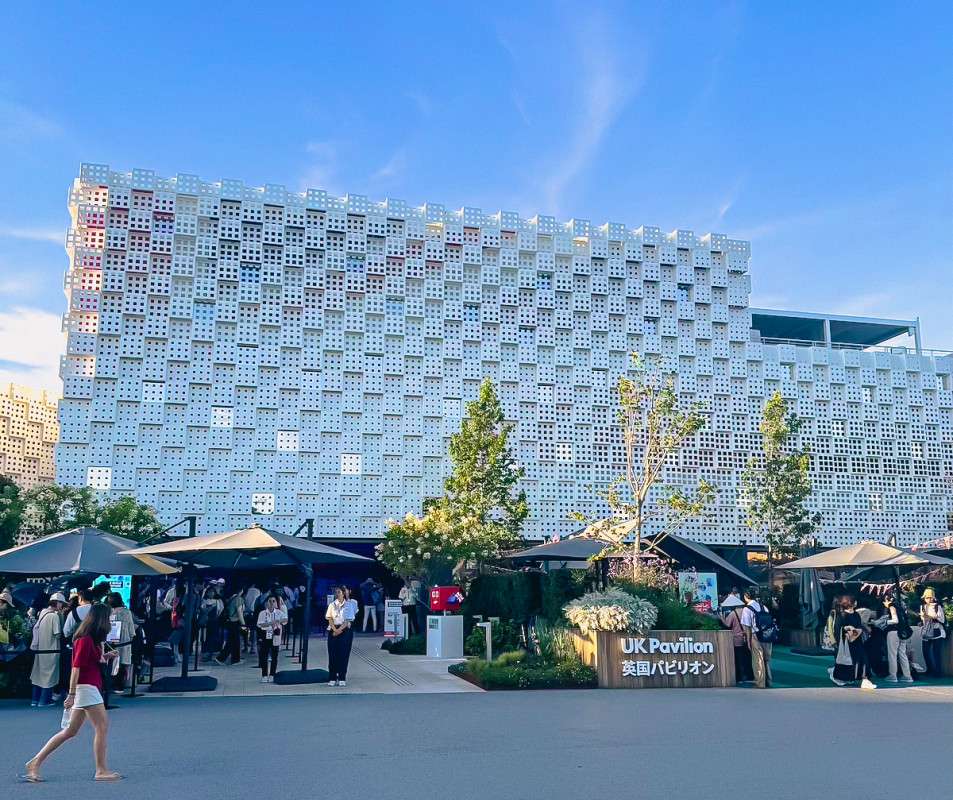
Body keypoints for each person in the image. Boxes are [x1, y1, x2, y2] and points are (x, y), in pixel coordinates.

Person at [22, 604, 122, 782]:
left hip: (86, 687)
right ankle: (101, 769)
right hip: (86, 687)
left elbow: (85, 663)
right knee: (101, 727)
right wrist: (71, 693)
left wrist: (105, 657)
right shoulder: (86, 640)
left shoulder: (88, 639)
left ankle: (35, 763)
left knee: (70, 731)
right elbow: (76, 668)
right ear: (101, 620)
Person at [829, 595, 876, 689]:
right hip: (847, 643)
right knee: (848, 661)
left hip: (857, 640)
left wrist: (858, 630)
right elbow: (837, 629)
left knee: (862, 659)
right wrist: (847, 629)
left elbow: (859, 625)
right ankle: (837, 675)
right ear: (851, 603)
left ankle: (864, 679)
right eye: (855, 601)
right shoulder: (841, 615)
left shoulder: (856, 614)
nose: (856, 603)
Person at [30, 593, 66, 707]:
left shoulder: (42, 613)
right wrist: (61, 617)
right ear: (58, 603)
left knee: (38, 675)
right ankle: (44, 700)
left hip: (40, 649)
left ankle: (34, 700)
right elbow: (57, 634)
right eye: (62, 604)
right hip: (51, 649)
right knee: (49, 675)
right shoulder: (54, 616)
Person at [740, 588, 772, 689]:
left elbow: (747, 627)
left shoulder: (747, 609)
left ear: (745, 597)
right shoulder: (764, 607)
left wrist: (748, 641)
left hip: (756, 635)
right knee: (766, 660)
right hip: (768, 635)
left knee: (758, 659)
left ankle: (760, 683)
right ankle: (769, 681)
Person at [716, 595, 752, 684]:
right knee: (747, 657)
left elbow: (727, 624)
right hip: (748, 637)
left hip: (737, 639)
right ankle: (749, 675)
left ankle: (740, 677)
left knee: (738, 658)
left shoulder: (733, 613)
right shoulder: (746, 611)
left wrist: (721, 617)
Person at [880, 594, 913, 684]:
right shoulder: (900, 608)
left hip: (893, 632)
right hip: (903, 634)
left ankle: (893, 675)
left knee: (892, 654)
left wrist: (884, 622)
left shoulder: (891, 607)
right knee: (902, 654)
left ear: (887, 601)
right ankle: (907, 676)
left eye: (884, 601)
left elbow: (895, 620)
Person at [107, 593, 137, 689]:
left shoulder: (109, 612)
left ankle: (110, 685)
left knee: (112, 662)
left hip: (111, 642)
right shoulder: (127, 612)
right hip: (125, 642)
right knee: (123, 663)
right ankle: (120, 685)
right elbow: (131, 630)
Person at [325, 586, 353, 687]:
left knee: (343, 654)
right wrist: (334, 630)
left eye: (339, 592)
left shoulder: (349, 605)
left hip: (344, 630)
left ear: (344, 593)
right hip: (333, 629)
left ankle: (342, 677)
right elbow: (329, 618)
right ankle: (332, 677)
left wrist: (339, 630)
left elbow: (347, 620)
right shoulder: (332, 605)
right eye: (336, 592)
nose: (338, 594)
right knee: (332, 654)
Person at [256, 595, 286, 683]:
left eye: (273, 601)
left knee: (274, 656)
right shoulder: (262, 613)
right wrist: (270, 623)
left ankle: (272, 674)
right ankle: (264, 675)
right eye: (270, 601)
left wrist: (277, 622)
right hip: (265, 635)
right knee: (264, 656)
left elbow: (285, 620)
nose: (272, 603)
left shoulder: (279, 613)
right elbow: (260, 624)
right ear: (266, 603)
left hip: (275, 635)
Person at [919, 587, 946, 677]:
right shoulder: (922, 607)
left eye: (930, 597)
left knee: (936, 652)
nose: (929, 599)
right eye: (927, 597)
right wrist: (922, 620)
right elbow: (923, 620)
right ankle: (930, 669)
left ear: (934, 597)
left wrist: (930, 616)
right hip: (926, 631)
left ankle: (937, 672)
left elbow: (942, 620)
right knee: (925, 652)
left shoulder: (937, 607)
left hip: (936, 631)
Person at [215, 587, 246, 666]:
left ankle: (233, 659)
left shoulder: (231, 598)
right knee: (234, 641)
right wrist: (243, 624)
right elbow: (239, 612)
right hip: (235, 622)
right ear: (241, 590)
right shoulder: (239, 599)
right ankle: (224, 658)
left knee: (233, 641)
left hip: (229, 622)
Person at [199, 586, 224, 661]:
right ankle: (205, 653)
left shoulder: (218, 601)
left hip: (214, 622)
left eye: (212, 592)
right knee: (204, 637)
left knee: (213, 637)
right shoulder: (204, 600)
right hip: (206, 622)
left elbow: (220, 610)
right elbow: (202, 609)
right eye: (209, 592)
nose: (211, 593)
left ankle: (211, 652)